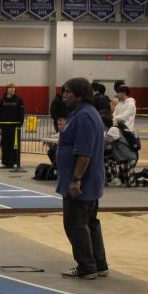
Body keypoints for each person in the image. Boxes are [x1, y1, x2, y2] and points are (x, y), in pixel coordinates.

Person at [55, 77, 108, 280]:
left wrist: (76, 179)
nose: (65, 96)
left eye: (68, 92)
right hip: (87, 180)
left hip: (82, 182)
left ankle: (87, 266)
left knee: (76, 224)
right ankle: (99, 264)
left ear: (79, 95)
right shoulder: (82, 114)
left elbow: (84, 153)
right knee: (89, 222)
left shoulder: (85, 116)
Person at [0, 83, 24, 169]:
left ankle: (15, 163)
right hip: (4, 127)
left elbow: (21, 113)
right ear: (6, 89)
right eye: (10, 88)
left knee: (15, 146)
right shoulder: (2, 100)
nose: (12, 89)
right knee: (5, 145)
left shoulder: (19, 100)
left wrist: (20, 124)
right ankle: (5, 163)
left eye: (13, 88)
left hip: (15, 127)